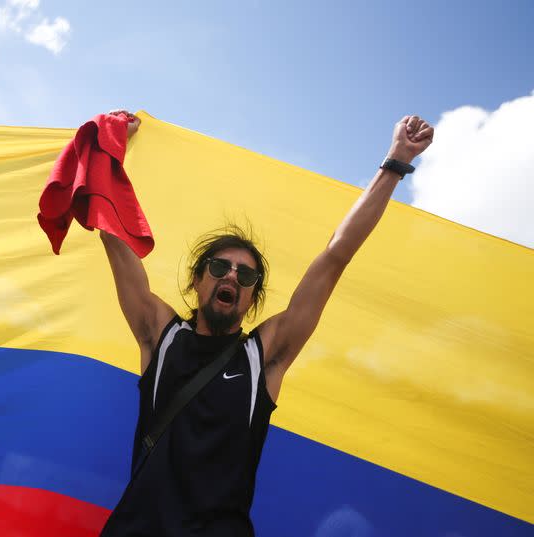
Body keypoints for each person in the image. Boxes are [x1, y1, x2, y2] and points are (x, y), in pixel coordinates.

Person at [98, 110, 434, 536]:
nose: (232, 276)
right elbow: (111, 231)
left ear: (252, 296)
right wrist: (109, 151)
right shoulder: (159, 334)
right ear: (198, 280)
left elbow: (335, 256)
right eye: (220, 266)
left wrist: (396, 161)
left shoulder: (265, 355)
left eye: (247, 275)